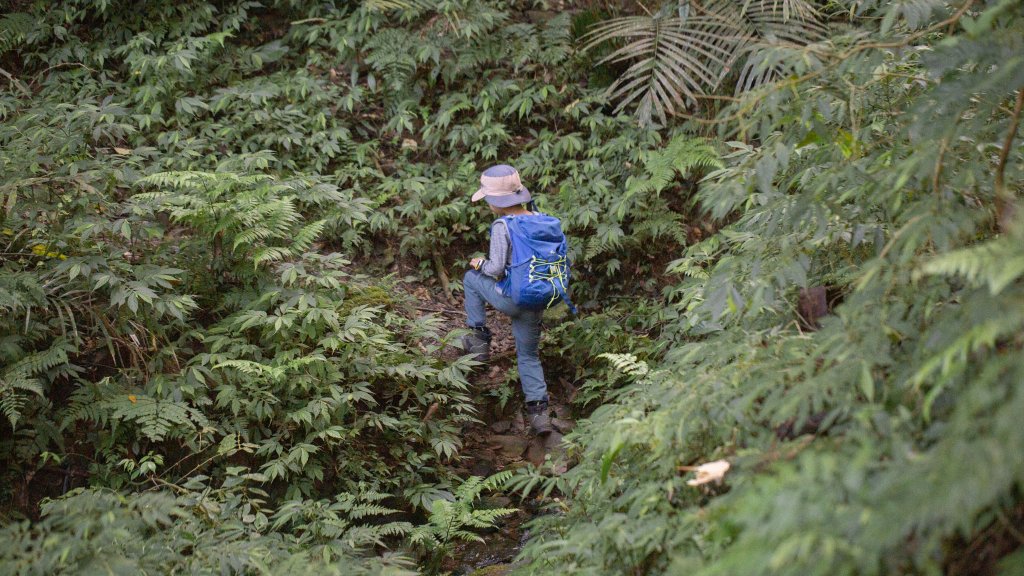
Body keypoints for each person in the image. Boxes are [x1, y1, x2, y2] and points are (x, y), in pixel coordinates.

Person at [462, 164, 553, 436]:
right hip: (538, 298)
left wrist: (480, 263)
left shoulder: (503, 225)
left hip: (512, 298)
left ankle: (478, 341)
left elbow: (496, 270)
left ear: (495, 200)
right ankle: (540, 416)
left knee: (470, 278)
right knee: (528, 356)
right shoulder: (543, 218)